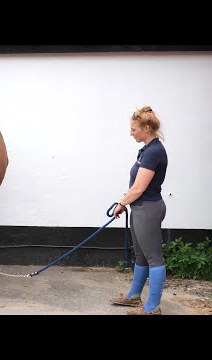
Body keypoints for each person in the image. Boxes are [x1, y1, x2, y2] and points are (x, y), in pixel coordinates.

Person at [110, 106, 168, 315]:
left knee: (154, 257)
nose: (131, 133)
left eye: (134, 129)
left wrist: (121, 203)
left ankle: (152, 308)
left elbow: (139, 188)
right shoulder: (146, 150)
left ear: (145, 128)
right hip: (141, 208)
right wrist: (127, 201)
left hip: (148, 208)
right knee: (141, 256)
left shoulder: (154, 152)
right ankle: (134, 296)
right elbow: (137, 186)